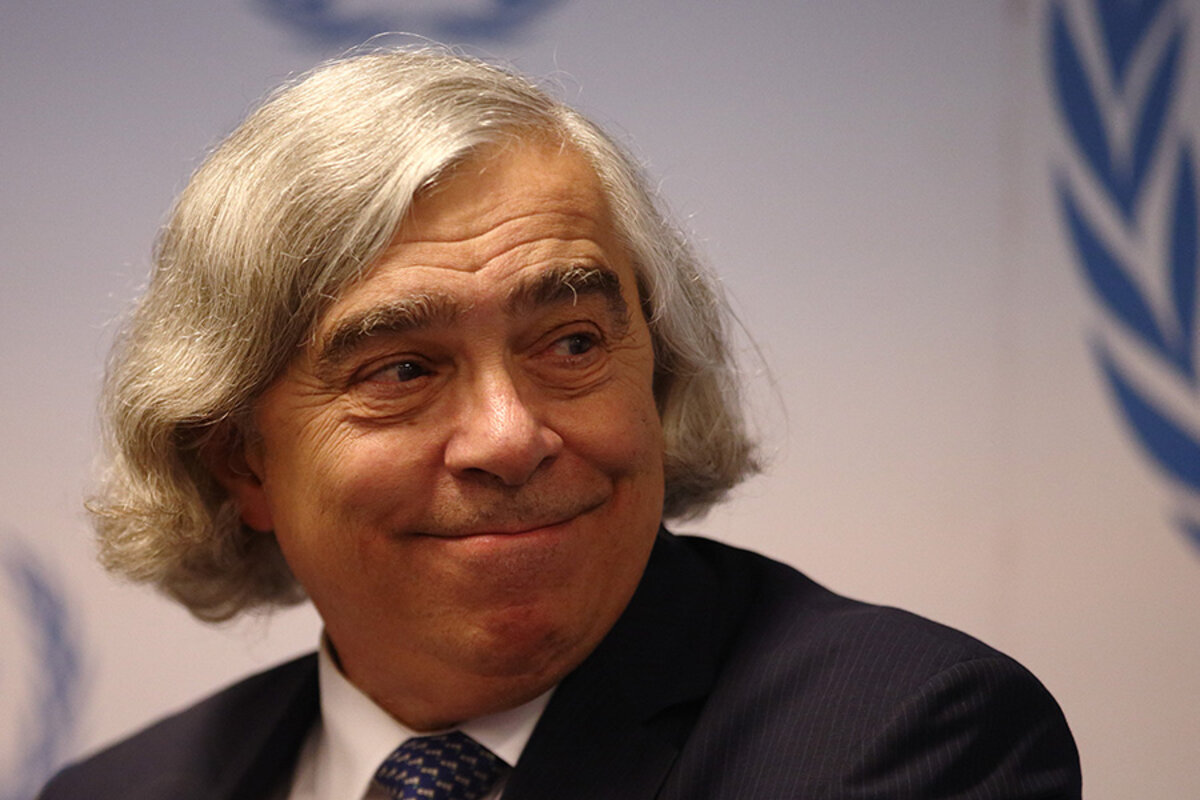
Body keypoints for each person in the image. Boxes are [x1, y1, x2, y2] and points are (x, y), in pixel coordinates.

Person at [39, 46, 1081, 799]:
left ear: (658, 370)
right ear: (243, 463)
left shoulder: (902, 741)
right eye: (403, 369)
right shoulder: (116, 789)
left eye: (572, 344)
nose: (509, 436)